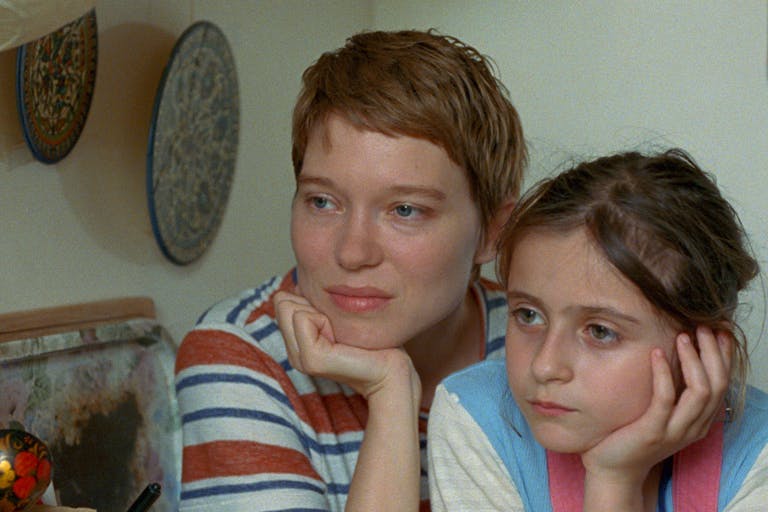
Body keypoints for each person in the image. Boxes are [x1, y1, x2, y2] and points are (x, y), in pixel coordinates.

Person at [174, 29, 526, 511]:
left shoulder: (548, 350)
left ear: (492, 231)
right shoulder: (241, 356)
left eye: (405, 210)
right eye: (323, 201)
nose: (353, 252)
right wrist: (392, 391)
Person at [428, 149, 768, 511]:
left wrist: (614, 479)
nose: (544, 366)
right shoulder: (479, 417)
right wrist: (615, 480)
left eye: (601, 332)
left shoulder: (756, 453)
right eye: (528, 315)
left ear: (703, 348)